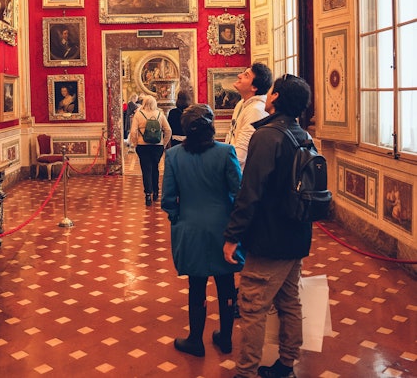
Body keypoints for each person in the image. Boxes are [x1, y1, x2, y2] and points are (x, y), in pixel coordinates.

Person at [223, 74, 314, 378]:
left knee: (252, 306)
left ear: (275, 98)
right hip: (297, 233)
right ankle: (286, 364)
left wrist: (232, 236)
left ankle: (245, 372)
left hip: (269, 237)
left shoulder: (267, 136)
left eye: (271, 90)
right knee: (289, 301)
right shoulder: (303, 135)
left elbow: (250, 192)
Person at [161, 104, 244, 358]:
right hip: (223, 229)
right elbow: (239, 193)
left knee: (196, 285)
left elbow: (168, 200)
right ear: (211, 127)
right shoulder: (226, 152)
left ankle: (195, 340)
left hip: (190, 230)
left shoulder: (173, 156)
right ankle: (226, 338)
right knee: (226, 284)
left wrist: (178, 219)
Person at [225, 62, 273, 170]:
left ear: (254, 87)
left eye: (246, 75)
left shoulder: (256, 110)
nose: (239, 75)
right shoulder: (241, 103)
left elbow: (241, 154)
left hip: (242, 172)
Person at [129, 95, 171, 206]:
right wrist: (164, 143)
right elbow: (168, 130)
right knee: (155, 168)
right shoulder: (160, 114)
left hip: (143, 146)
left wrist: (135, 143)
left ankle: (148, 194)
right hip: (157, 146)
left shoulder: (138, 114)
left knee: (146, 169)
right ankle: (156, 192)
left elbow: (133, 132)